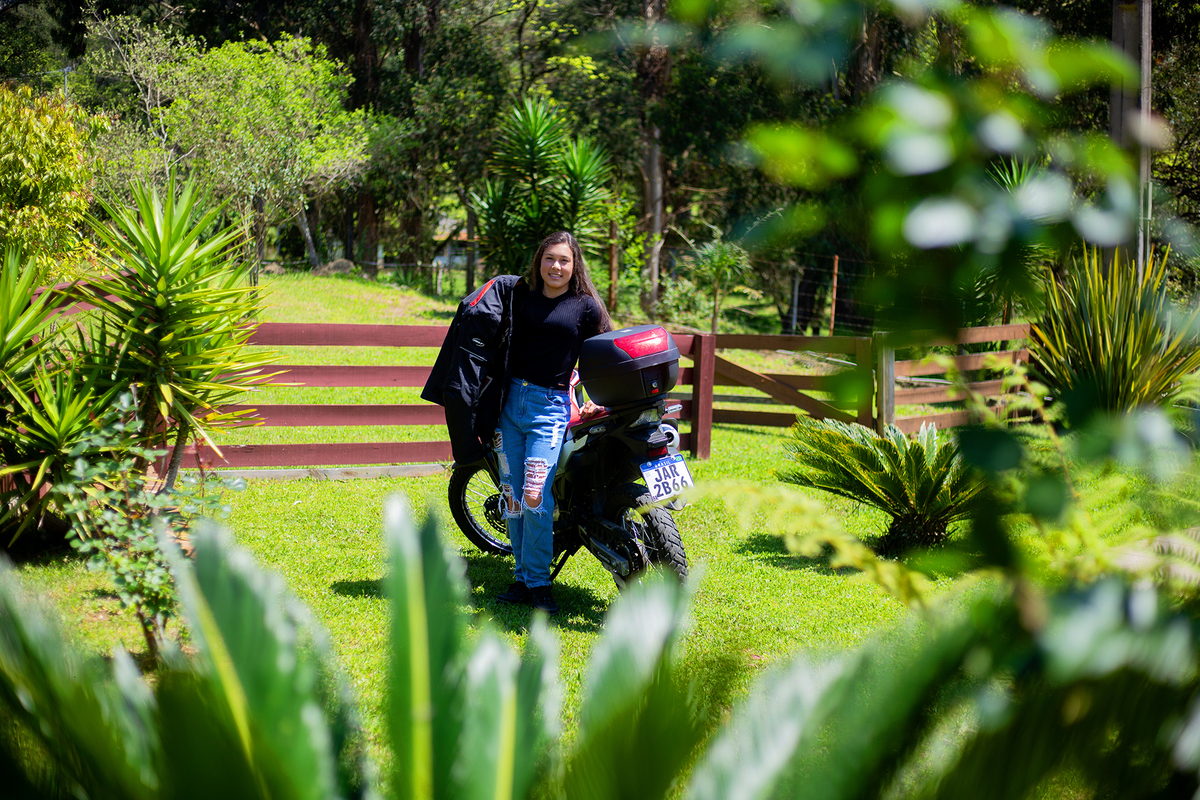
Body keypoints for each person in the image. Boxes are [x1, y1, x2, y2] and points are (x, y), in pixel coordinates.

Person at [494, 231, 612, 615]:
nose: (556, 267)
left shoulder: (586, 307)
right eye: (549, 259)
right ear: (538, 261)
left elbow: (604, 357)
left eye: (563, 260)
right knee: (513, 498)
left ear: (574, 264)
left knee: (534, 495)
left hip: (549, 406)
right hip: (509, 404)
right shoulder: (522, 299)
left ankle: (539, 582)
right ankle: (523, 578)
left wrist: (593, 399)